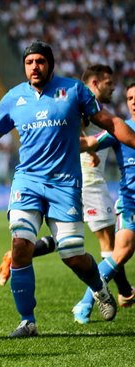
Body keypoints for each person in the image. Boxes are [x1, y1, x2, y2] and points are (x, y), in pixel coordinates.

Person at [0, 40, 135, 337]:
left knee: (72, 254)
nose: (34, 66)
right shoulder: (13, 98)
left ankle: (98, 287)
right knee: (20, 244)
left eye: (40, 61)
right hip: (28, 181)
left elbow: (111, 122)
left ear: (50, 64)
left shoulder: (74, 90)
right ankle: (27, 320)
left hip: (65, 184)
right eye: (29, 62)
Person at [0, 65, 135, 322]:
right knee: (109, 244)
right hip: (81, 180)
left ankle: (118, 291)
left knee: (69, 246)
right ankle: (97, 298)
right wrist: (87, 149)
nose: (112, 87)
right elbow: (73, 130)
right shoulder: (79, 102)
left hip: (76, 181)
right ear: (94, 84)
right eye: (108, 83)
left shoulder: (80, 101)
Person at [75, 82, 135, 322]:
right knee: (120, 254)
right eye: (130, 97)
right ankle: (85, 303)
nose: (134, 101)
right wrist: (56, 142)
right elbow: (88, 143)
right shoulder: (121, 129)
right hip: (132, 203)